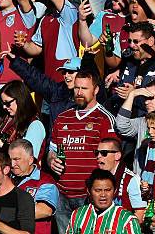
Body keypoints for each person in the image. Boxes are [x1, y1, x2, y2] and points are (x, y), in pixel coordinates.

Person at [47, 70, 116, 234]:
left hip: (88, 195)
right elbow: (52, 150)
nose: (79, 92)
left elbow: (112, 158)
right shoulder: (62, 118)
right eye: (76, 88)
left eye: (84, 89)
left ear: (96, 90)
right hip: (62, 193)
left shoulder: (104, 119)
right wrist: (51, 160)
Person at [0, 81, 45, 159]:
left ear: (20, 100)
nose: (4, 107)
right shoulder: (7, 119)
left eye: (7, 103)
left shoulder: (35, 125)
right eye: (3, 103)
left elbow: (27, 158)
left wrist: (0, 145)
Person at [66, 169, 141, 234]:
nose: (103, 195)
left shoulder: (127, 220)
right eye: (98, 190)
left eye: (107, 190)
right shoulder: (78, 215)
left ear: (114, 191)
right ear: (89, 191)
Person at [8, 139, 59, 234]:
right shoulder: (6, 178)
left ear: (30, 160)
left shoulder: (45, 181)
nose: (12, 164)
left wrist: (5, 212)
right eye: (10, 159)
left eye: (16, 159)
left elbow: (44, 210)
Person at [94, 137, 146, 218]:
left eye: (104, 153)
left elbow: (140, 213)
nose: (98, 156)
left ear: (117, 156)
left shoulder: (131, 179)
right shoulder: (96, 178)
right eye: (97, 152)